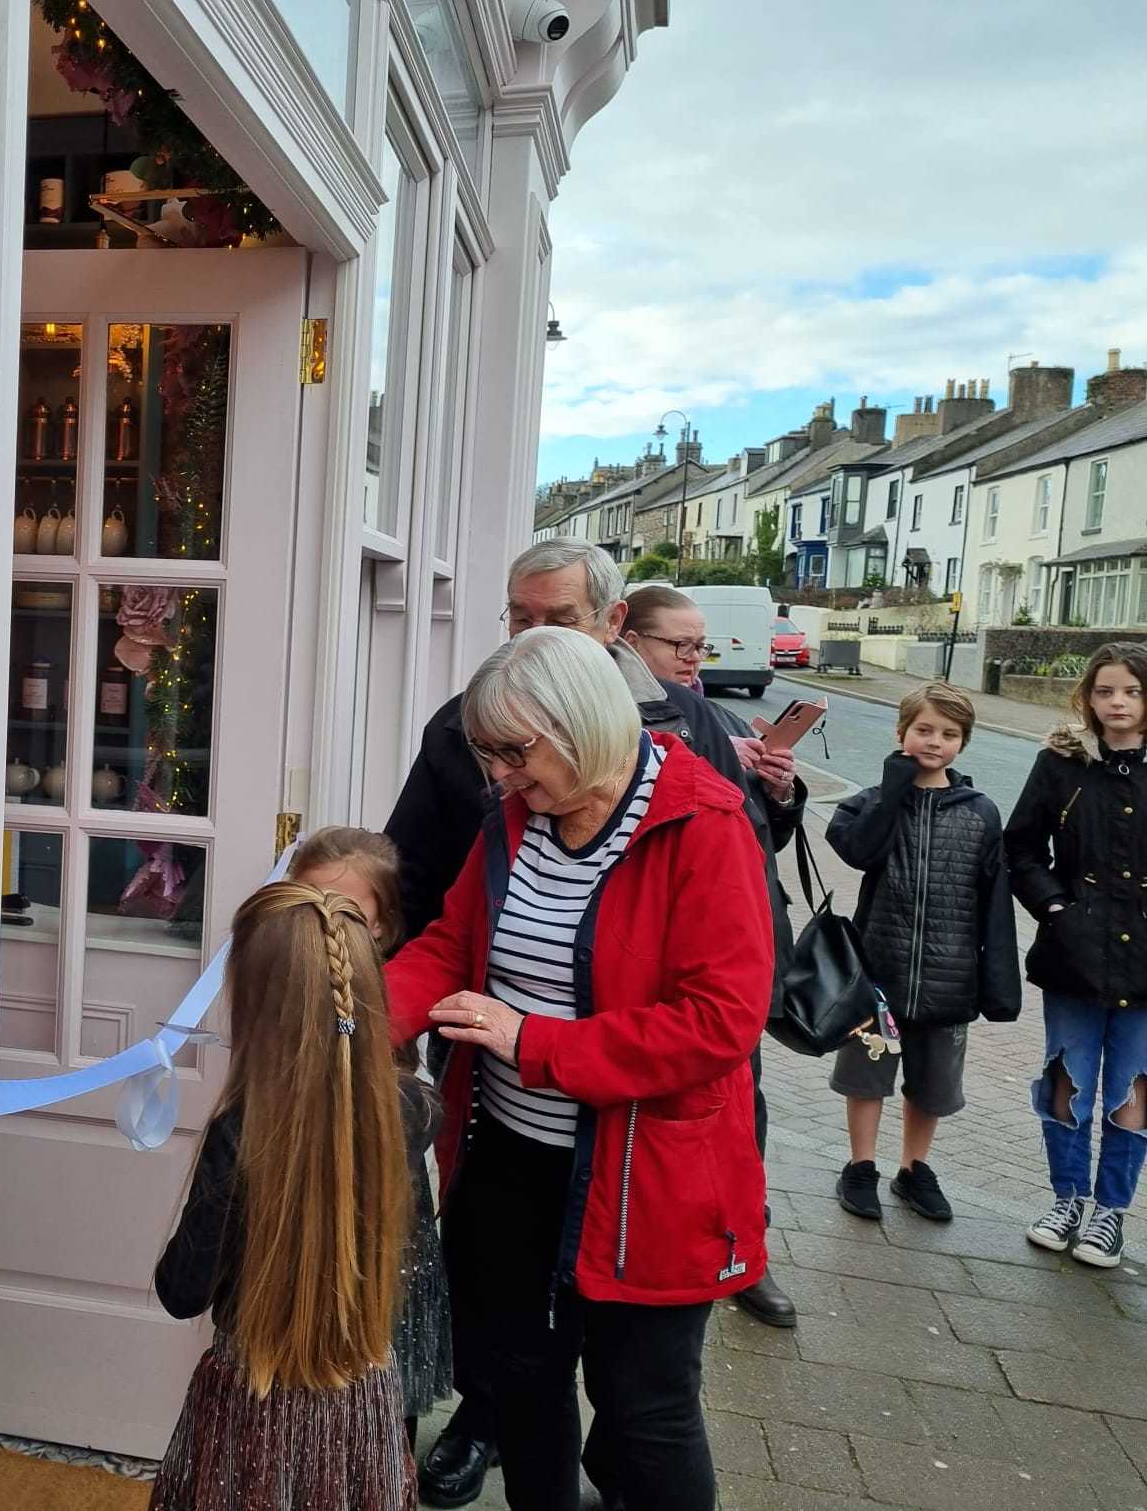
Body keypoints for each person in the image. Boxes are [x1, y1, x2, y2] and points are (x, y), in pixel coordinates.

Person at [383, 547, 795, 1511]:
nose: (499, 775)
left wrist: (533, 1043)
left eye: (516, 753)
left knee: (643, 1414)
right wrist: (365, 1020)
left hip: (644, 1179)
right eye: (490, 754)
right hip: (508, 1161)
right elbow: (451, 945)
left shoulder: (706, 825)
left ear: (590, 727)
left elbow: (719, 1024)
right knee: (521, 1386)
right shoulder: (521, 815)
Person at [150, 881, 417, 1511]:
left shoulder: (239, 1135)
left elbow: (182, 1290)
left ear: (257, 1004)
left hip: (253, 1409)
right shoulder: (405, 1113)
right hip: (363, 1405)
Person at [826, 683, 1019, 1224]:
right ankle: (860, 1165)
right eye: (924, 730)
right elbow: (858, 850)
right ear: (902, 733)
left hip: (950, 977)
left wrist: (997, 982)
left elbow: (994, 903)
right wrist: (893, 789)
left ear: (964, 742)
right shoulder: (871, 801)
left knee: (932, 1088)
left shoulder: (981, 812)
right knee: (867, 1077)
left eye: (950, 734)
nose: (935, 742)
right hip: (877, 975)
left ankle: (914, 1168)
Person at [291, 827, 453, 1452]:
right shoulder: (280, 995)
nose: (323, 928)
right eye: (304, 907)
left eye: (347, 915)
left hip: (381, 1249)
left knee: (382, 1413)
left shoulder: (392, 1016)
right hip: (300, 1250)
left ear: (384, 929)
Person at [1005, 642, 1147, 1268]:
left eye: (1134, 691)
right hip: (1075, 956)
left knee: (1132, 1088)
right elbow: (1021, 849)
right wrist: (1057, 910)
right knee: (1068, 1078)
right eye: (1106, 691)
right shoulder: (1062, 764)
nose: (1118, 703)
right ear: (1087, 697)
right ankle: (1067, 1198)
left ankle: (1110, 1213)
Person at [621, 585, 799, 812]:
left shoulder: (725, 720)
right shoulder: (610, 719)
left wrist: (779, 793)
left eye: (700, 646)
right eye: (681, 645)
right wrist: (715, 755)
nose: (694, 657)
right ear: (632, 643)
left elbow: (764, 834)